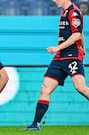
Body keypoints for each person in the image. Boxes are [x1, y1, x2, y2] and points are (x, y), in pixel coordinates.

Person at [25, 0, 88, 131]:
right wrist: (84, 48)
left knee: (80, 87)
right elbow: (80, 33)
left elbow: (77, 34)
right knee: (45, 89)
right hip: (60, 57)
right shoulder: (64, 11)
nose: (54, 1)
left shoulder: (74, 12)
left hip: (72, 56)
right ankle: (35, 124)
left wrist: (58, 47)